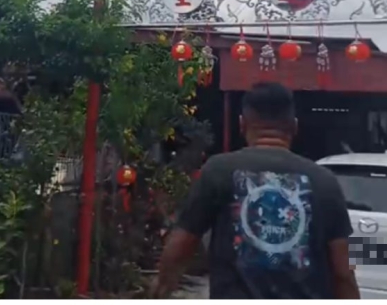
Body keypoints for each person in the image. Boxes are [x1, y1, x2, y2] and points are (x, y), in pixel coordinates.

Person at [150, 82, 359, 299]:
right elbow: (344, 272)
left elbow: (182, 244)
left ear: (242, 124)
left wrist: (162, 287)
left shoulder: (218, 171)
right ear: (294, 127)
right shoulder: (325, 181)